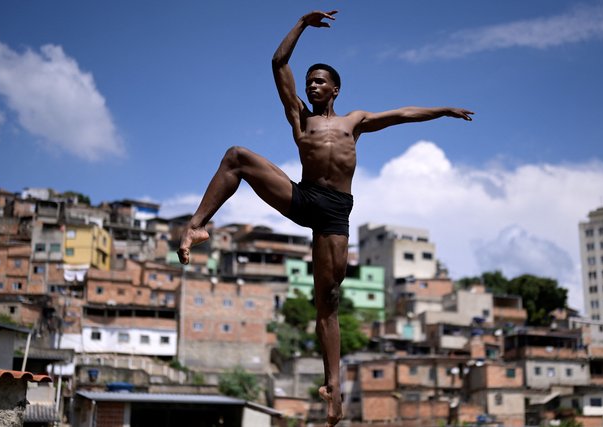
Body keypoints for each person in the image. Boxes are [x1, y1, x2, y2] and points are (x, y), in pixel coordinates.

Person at [177, 10, 473, 426]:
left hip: (334, 212)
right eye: (310, 80)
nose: (313, 85)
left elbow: (404, 114)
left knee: (328, 302)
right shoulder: (299, 117)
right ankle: (196, 226)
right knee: (237, 157)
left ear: (335, 88)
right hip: (303, 196)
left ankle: (332, 391)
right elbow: (279, 64)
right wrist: (300, 23)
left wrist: (442, 110)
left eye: (320, 81)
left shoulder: (356, 121)